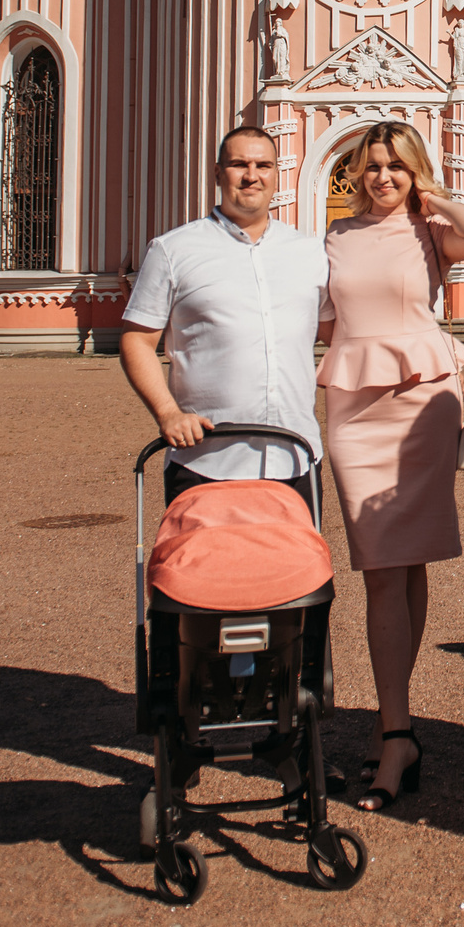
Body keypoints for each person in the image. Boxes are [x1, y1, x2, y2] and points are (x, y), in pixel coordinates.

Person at [117, 124, 334, 794]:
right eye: (239, 164)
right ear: (219, 172)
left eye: (263, 164)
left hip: (293, 458)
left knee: (298, 603)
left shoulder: (309, 253)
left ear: (279, 172)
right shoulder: (176, 249)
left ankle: (292, 732)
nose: (251, 175)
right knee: (191, 602)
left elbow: (344, 329)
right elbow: (136, 337)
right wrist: (167, 413)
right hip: (206, 462)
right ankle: (180, 731)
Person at [318, 120, 464, 811]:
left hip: (423, 398)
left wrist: (433, 193)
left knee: (405, 561)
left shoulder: (433, 233)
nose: (382, 176)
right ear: (354, 170)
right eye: (371, 165)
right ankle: (395, 722)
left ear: (414, 170)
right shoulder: (335, 237)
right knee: (380, 563)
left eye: (395, 165)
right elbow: (328, 321)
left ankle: (394, 726)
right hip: (353, 407)